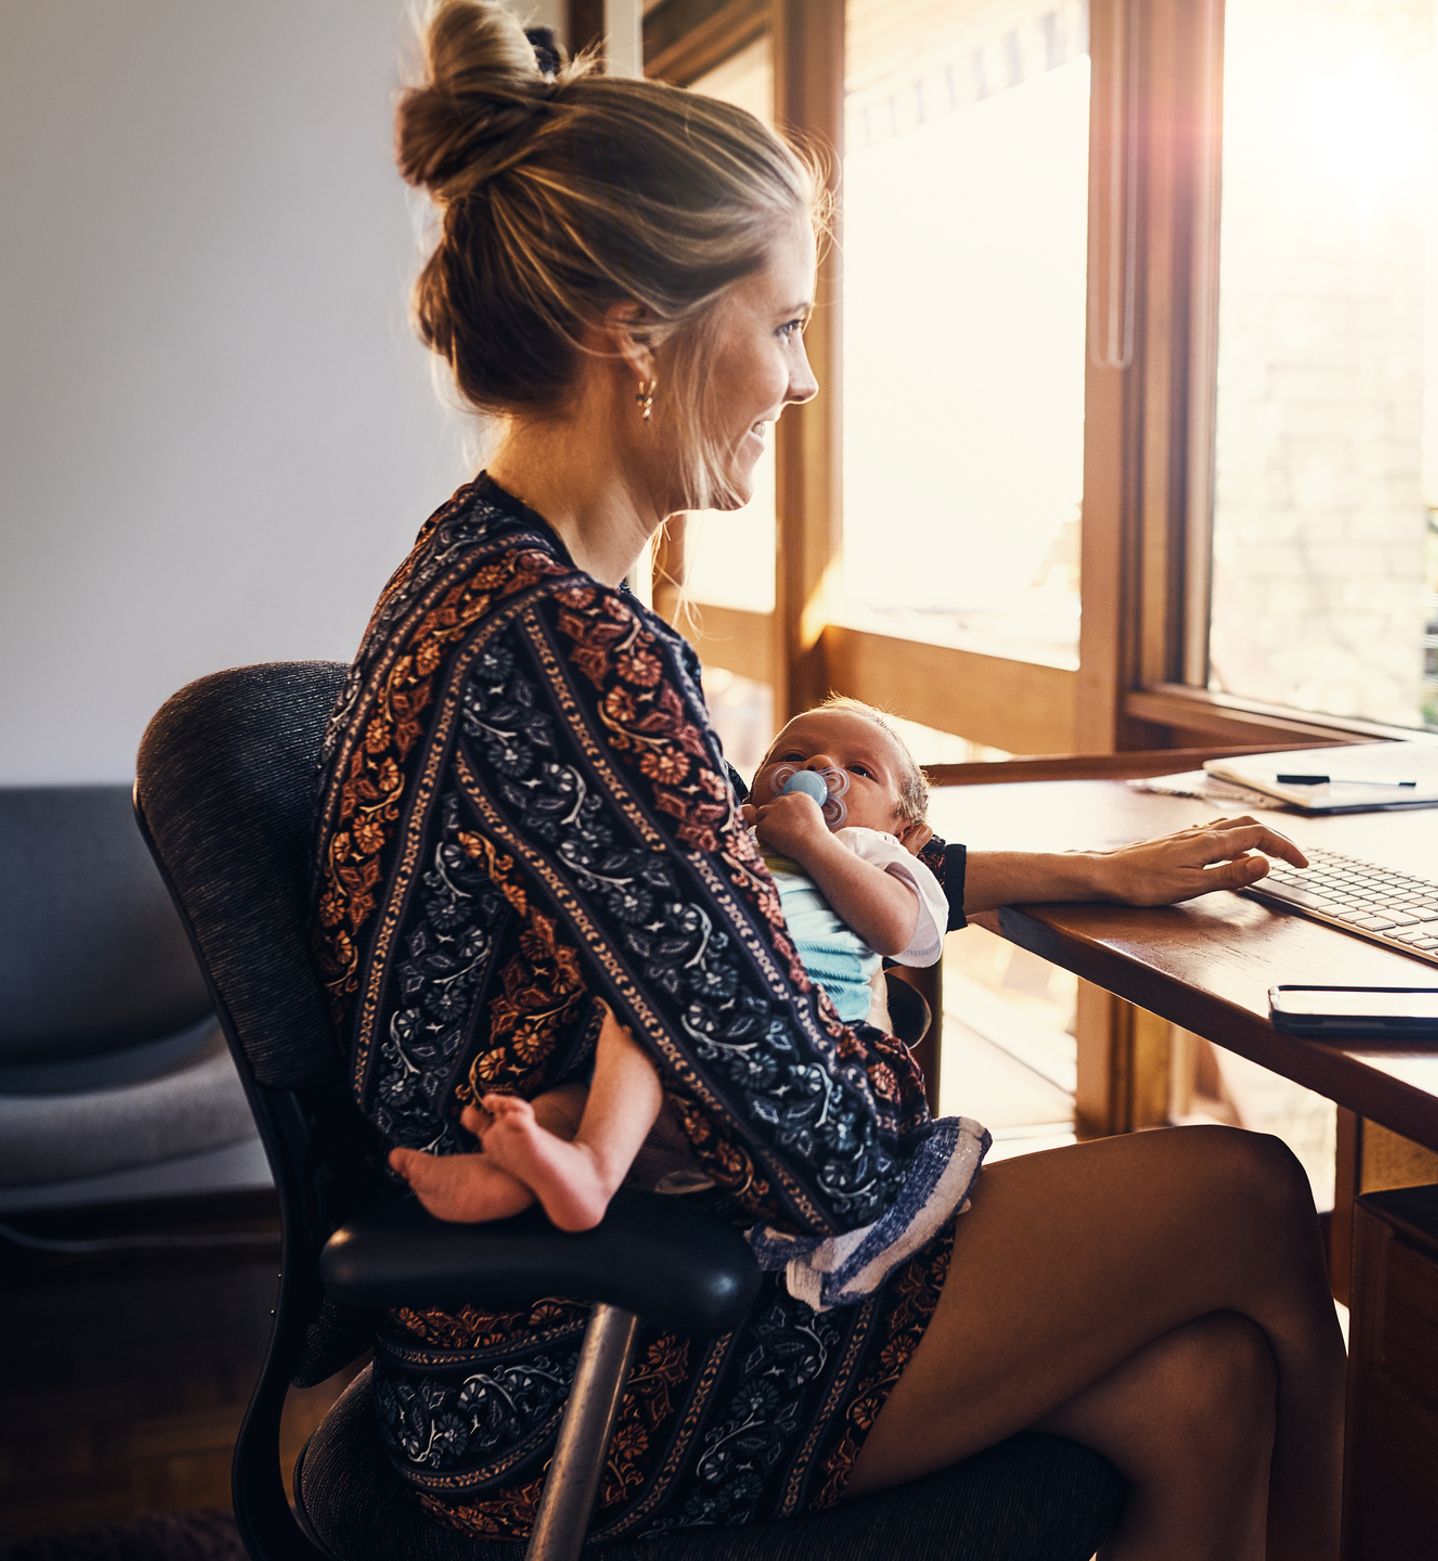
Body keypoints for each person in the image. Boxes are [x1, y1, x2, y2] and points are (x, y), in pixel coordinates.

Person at [308, 4, 1345, 1557]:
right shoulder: (570, 650)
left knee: (1201, 1395)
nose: (799, 380)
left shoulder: (472, 573)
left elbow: (702, 909)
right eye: (782, 323)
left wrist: (1063, 879)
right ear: (631, 332)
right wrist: (875, 986)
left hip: (514, 1330)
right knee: (1251, 1194)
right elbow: (824, 1151)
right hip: (576, 1370)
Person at [388, 700, 960, 1276]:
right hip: (690, 1048)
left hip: (809, 1047)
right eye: (791, 755)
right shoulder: (736, 834)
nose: (818, 764)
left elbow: (895, 928)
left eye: (860, 770)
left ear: (905, 830)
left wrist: (814, 841)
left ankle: (590, 1165)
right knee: (583, 1082)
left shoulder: (881, 856)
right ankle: (519, 1175)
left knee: (651, 1000)